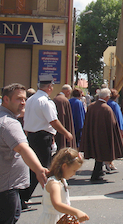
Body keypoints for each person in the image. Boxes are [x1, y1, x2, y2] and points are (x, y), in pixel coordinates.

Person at [0, 83, 49, 224]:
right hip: (3, 186)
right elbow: (22, 148)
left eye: (24, 99)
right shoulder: (8, 123)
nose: (23, 103)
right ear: (6, 100)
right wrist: (39, 170)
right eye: (18, 99)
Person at [20, 75, 73, 208]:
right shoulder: (45, 101)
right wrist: (66, 132)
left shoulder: (31, 99)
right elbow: (53, 121)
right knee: (42, 168)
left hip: (32, 136)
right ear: (49, 87)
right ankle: (27, 197)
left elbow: (27, 120)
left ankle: (31, 195)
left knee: (34, 167)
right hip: (42, 137)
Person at [79, 88, 123, 182]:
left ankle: (99, 171)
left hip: (92, 133)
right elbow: (113, 123)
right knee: (102, 153)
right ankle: (96, 174)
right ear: (107, 97)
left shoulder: (91, 106)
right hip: (103, 135)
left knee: (97, 154)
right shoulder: (107, 108)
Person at [35, 148, 89, 224]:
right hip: (52, 220)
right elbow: (57, 204)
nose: (74, 174)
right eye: (74, 170)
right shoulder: (54, 184)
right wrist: (76, 212)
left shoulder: (61, 180)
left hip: (60, 218)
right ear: (64, 166)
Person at [105, 88, 123, 171]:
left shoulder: (105, 103)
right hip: (113, 128)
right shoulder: (114, 105)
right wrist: (121, 130)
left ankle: (109, 162)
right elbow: (119, 118)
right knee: (112, 146)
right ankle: (109, 162)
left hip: (105, 127)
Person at [53, 84, 77, 150]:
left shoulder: (55, 98)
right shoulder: (64, 100)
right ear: (68, 91)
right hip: (64, 127)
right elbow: (68, 119)